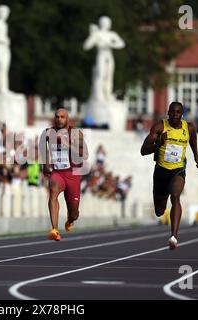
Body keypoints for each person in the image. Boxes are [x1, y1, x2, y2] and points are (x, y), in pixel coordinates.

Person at [140, 102, 198, 249]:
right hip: (161, 171)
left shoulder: (189, 127)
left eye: (178, 112)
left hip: (178, 170)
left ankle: (174, 236)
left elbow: (193, 140)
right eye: (172, 112)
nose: (175, 114)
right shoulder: (159, 127)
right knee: (159, 211)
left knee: (175, 196)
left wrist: (196, 157)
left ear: (182, 114)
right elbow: (143, 150)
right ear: (168, 113)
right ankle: (162, 210)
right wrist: (158, 144)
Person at [39, 107, 88, 241]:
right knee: (53, 192)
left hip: (73, 174)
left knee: (74, 213)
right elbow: (43, 149)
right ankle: (54, 230)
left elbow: (83, 155)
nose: (59, 119)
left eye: (62, 117)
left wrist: (66, 143)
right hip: (57, 173)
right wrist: (45, 165)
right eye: (57, 116)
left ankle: (70, 219)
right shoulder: (48, 133)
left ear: (68, 119)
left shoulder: (76, 133)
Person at [83, 16, 125, 102]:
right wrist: (92, 37)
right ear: (101, 23)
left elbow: (121, 43)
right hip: (101, 55)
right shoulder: (97, 34)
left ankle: (108, 94)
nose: (107, 24)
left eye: (108, 22)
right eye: (105, 22)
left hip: (109, 56)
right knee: (100, 75)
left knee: (109, 77)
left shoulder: (112, 34)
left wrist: (111, 44)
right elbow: (86, 46)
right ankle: (99, 95)